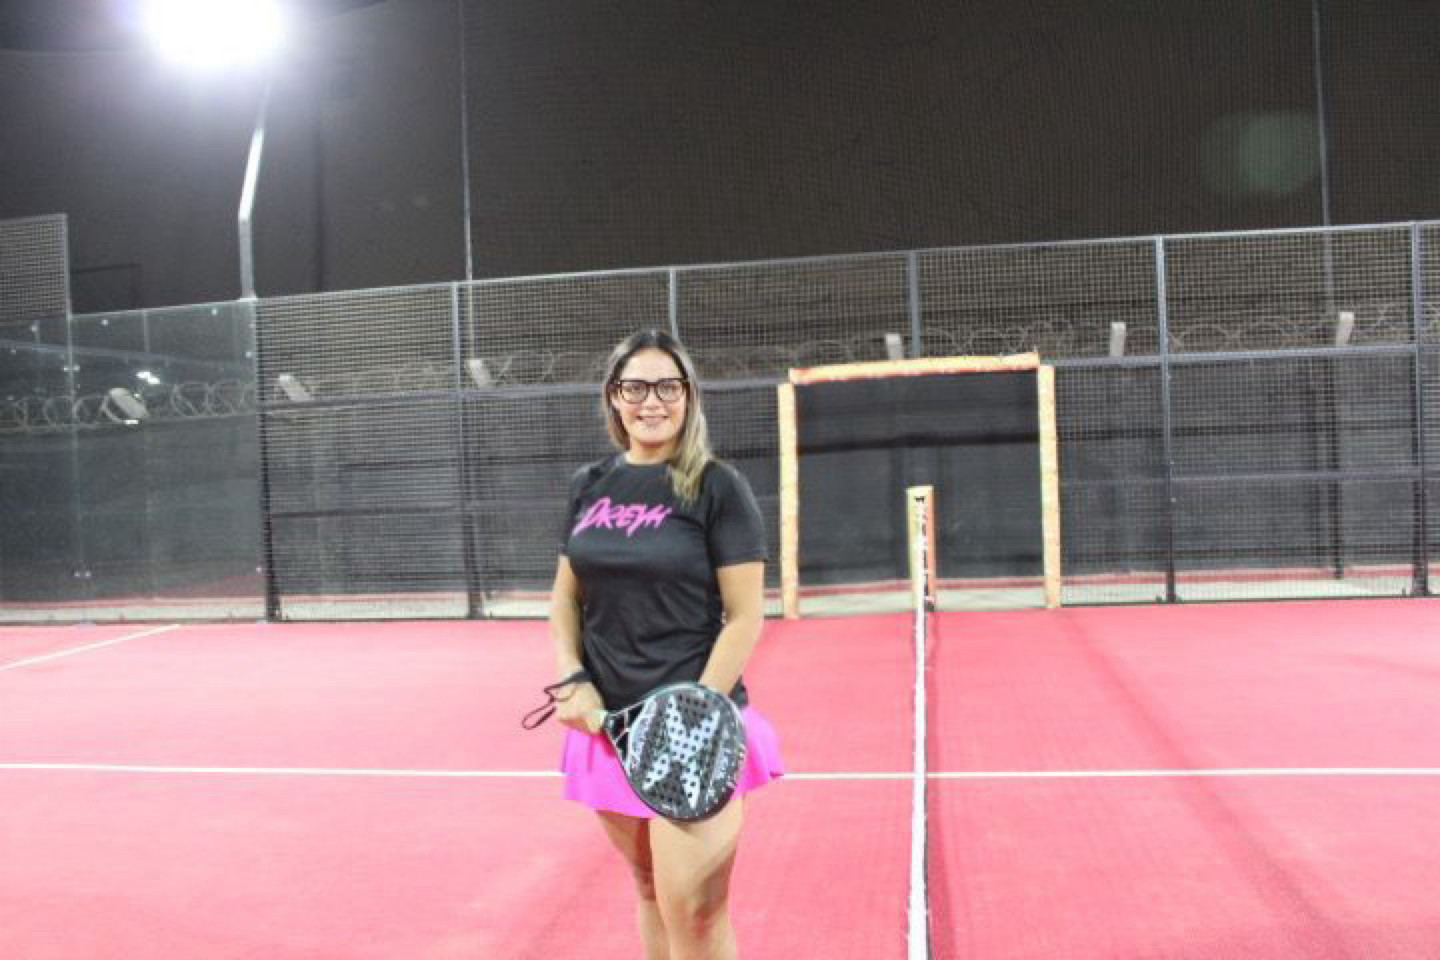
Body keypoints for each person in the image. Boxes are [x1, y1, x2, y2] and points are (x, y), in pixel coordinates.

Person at [546, 329, 783, 960]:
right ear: (613, 397)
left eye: (667, 387)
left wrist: (694, 716)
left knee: (698, 915)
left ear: (688, 396)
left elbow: (744, 616)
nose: (652, 401)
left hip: (692, 734)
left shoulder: (717, 487)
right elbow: (566, 598)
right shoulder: (589, 484)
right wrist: (572, 677)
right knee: (650, 888)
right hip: (609, 727)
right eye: (636, 387)